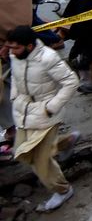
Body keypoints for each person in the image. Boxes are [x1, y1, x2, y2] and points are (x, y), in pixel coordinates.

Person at [5, 26, 79, 212]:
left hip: (46, 115)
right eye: (10, 47)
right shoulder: (16, 56)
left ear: (29, 46)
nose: (11, 52)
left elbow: (71, 81)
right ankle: (64, 143)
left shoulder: (48, 58)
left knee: (40, 161)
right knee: (22, 152)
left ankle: (63, 190)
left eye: (16, 48)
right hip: (23, 111)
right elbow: (15, 75)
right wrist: (15, 95)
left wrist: (51, 107)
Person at [0, 0, 33, 149]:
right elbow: (24, 20)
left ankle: (12, 128)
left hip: (3, 51)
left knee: (4, 92)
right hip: (19, 49)